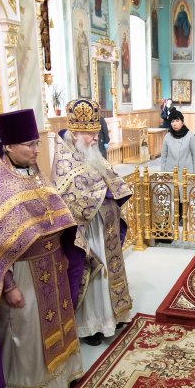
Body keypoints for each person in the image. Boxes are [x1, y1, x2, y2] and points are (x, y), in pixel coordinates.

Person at [0, 109, 85, 388]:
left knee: (59, 322)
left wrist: (65, 253)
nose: (36, 150)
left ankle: (62, 378)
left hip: (53, 265)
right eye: (30, 144)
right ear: (8, 146)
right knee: (28, 332)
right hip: (24, 271)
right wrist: (8, 286)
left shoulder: (35, 175)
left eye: (37, 143)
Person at [53, 99, 134, 346]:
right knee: (94, 273)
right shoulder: (64, 160)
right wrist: (102, 193)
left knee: (110, 270)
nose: (95, 138)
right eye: (90, 134)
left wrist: (111, 192)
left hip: (104, 227)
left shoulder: (93, 155)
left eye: (96, 132)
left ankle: (113, 315)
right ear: (75, 134)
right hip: (87, 232)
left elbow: (111, 179)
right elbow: (68, 196)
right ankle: (90, 326)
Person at [162, 108, 195, 175]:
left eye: (177, 121)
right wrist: (163, 173)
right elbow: (163, 156)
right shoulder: (167, 136)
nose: (174, 124)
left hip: (186, 173)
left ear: (182, 123)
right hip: (170, 172)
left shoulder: (190, 136)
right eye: (172, 121)